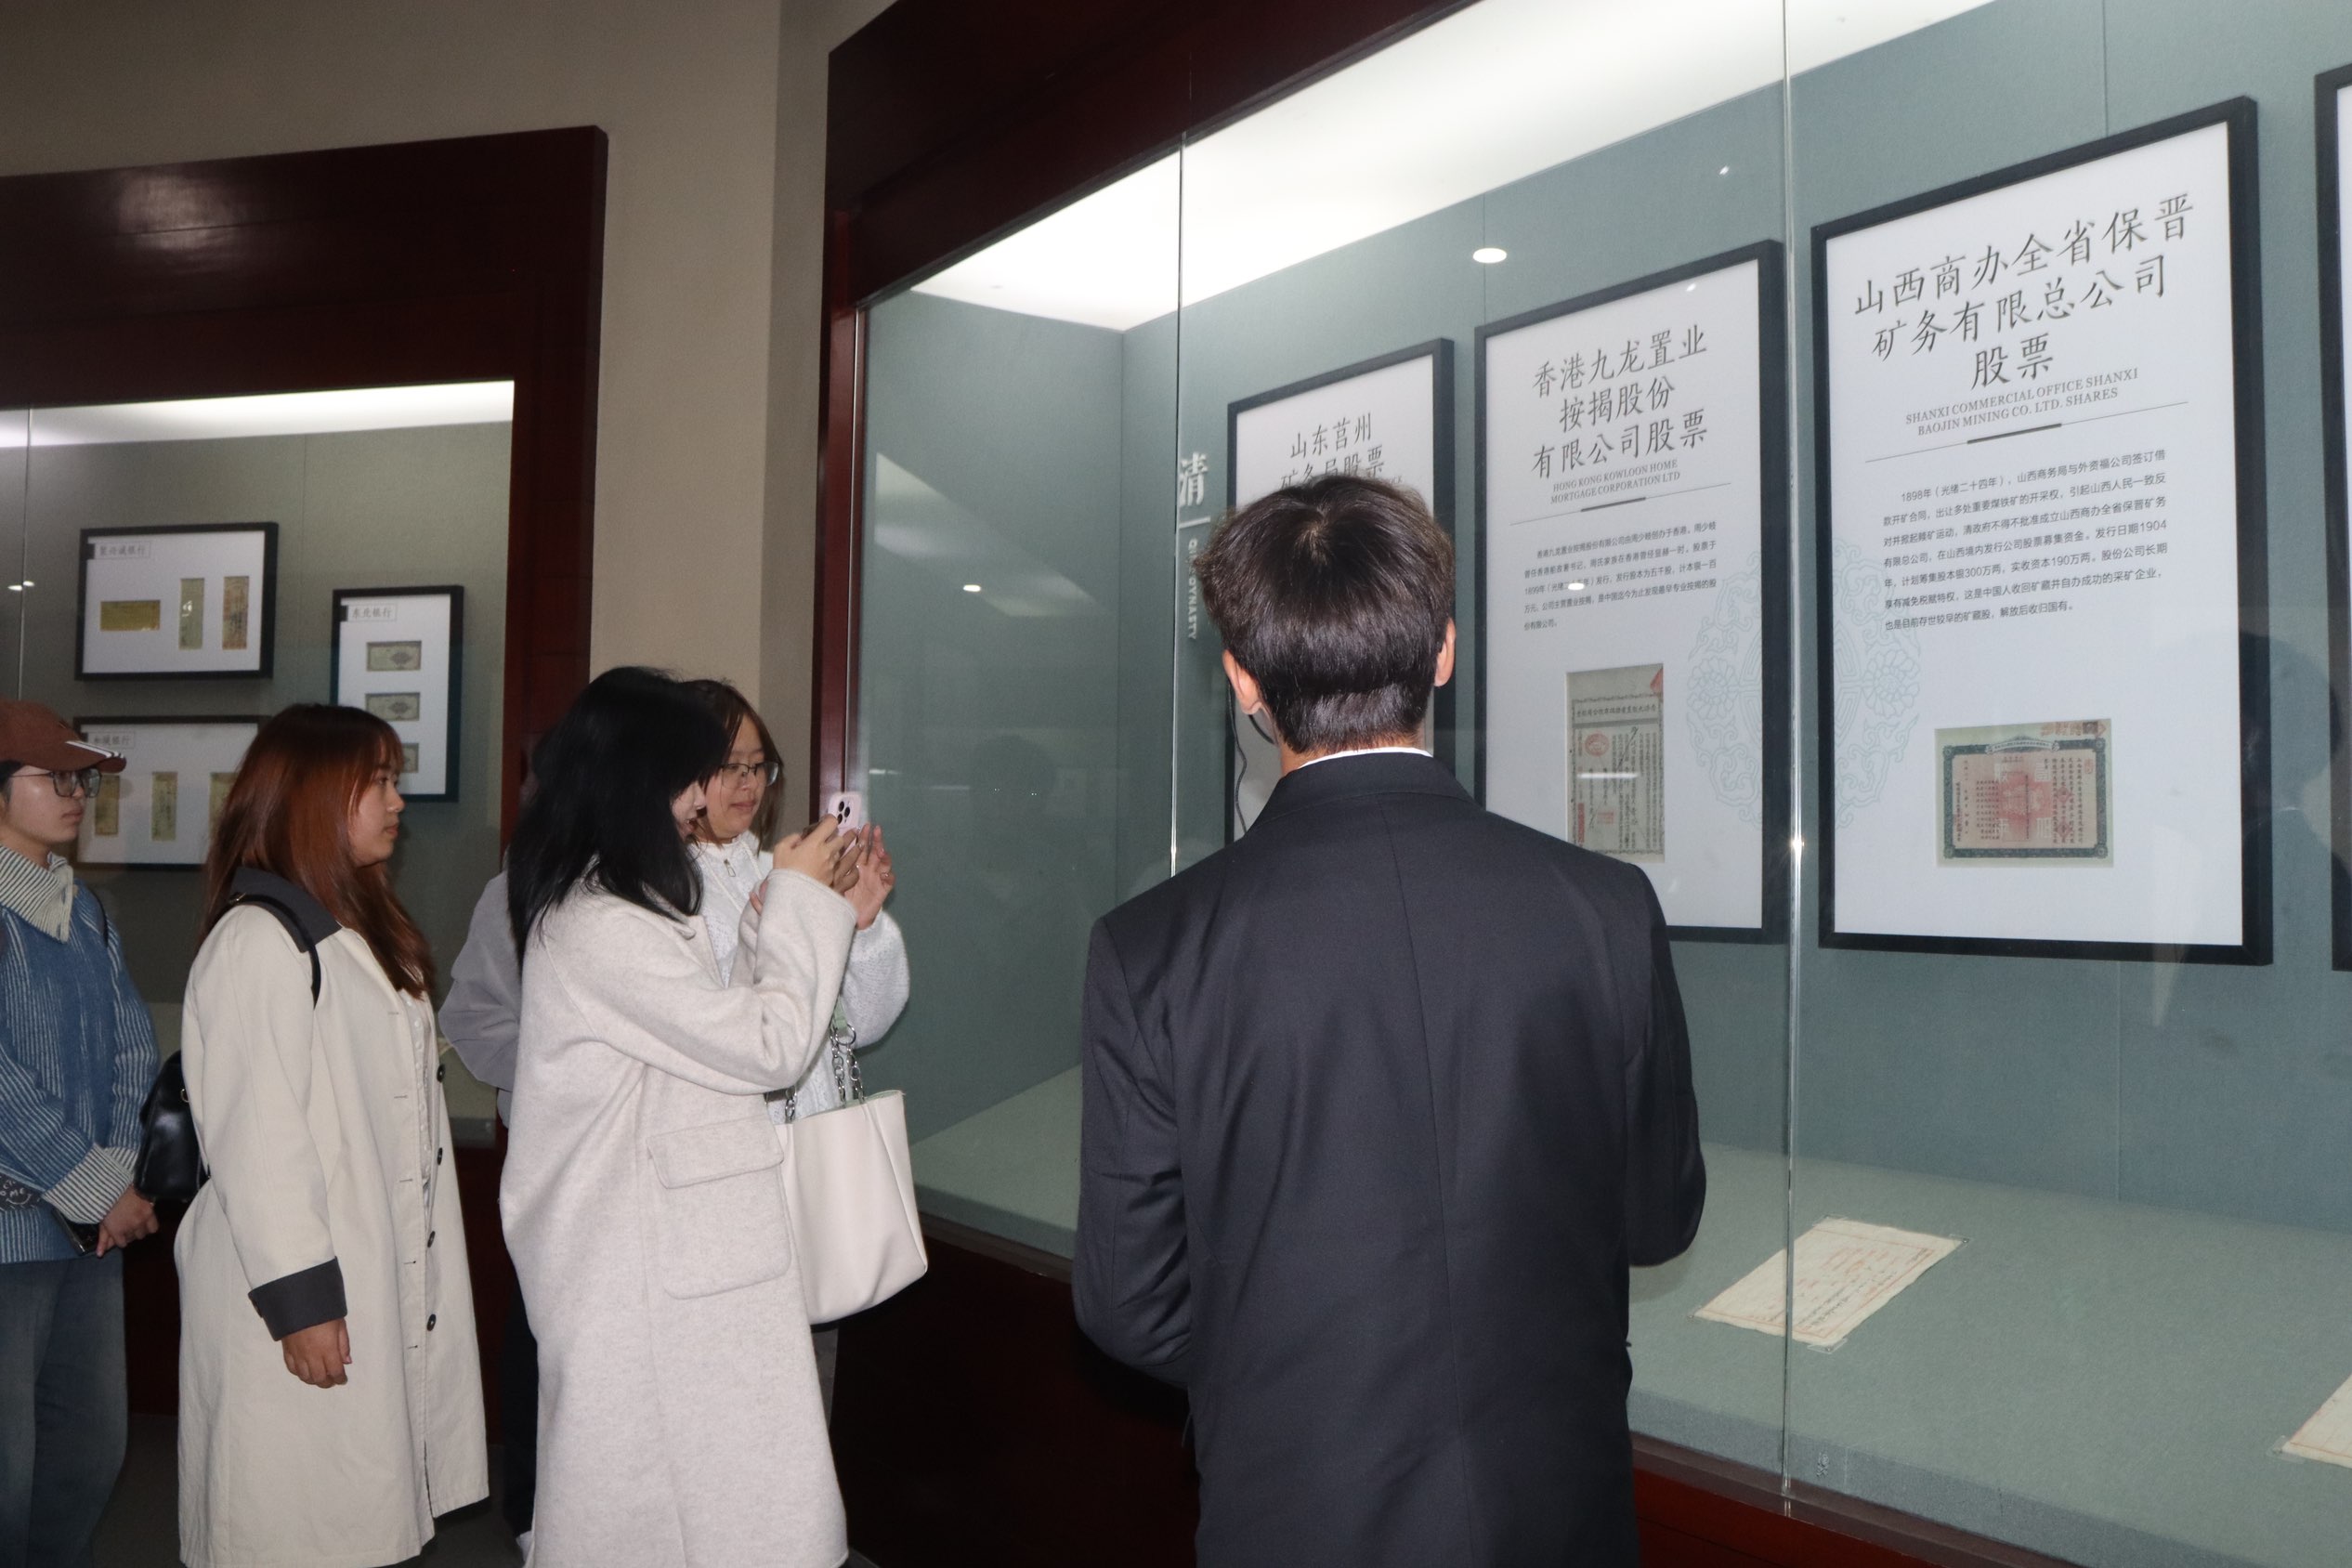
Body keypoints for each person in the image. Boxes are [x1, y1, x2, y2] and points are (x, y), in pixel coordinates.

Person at [1072, 475, 1706, 1567]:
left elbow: (1133, 1303)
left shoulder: (1153, 948)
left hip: (1298, 1507)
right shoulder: (1604, 907)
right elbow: (1657, 1217)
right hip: (1557, 1502)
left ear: (1242, 677)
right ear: (1445, 649)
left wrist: (1289, 1374)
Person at [500, 667, 860, 1568]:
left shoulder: (624, 906)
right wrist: (802, 903)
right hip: (650, 1276)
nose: (705, 797)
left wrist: (781, 915)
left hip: (673, 1262)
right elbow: (769, 1045)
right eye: (692, 776)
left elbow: (710, 1039)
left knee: (706, 1517)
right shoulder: (599, 923)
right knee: (676, 1522)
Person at [176, 704, 487, 1568]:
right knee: (292, 1522)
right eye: (377, 782)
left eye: (394, 780)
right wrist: (302, 1303)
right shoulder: (258, 942)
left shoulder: (360, 932)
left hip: (371, 1262)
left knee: (356, 1515)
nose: (397, 802)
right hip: (299, 1288)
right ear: (313, 797)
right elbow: (259, 1143)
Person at [682, 680, 906, 1414]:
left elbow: (859, 1022)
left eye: (759, 765)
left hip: (811, 1169)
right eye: (728, 766)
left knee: (809, 1400)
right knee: (736, 1409)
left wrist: (861, 925)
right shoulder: (665, 887)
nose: (747, 784)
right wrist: (780, 916)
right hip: (731, 1185)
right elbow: (724, 1033)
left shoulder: (775, 865)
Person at [0, 701, 158, 1567]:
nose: (74, 794)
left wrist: (119, 1179)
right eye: (54, 777)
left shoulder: (85, 908)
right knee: (8, 1468)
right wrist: (99, 1186)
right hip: (12, 1230)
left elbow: (134, 1045)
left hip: (90, 1229)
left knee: (89, 1449)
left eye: (81, 780)